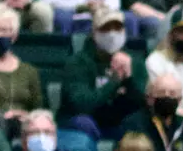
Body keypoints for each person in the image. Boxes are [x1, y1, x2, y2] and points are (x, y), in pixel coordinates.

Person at [61, 9, 148, 139]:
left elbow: (143, 103)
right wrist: (115, 81)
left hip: (119, 124)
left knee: (139, 123)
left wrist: (129, 78)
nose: (112, 34)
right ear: (93, 32)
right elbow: (81, 105)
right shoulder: (77, 63)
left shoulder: (135, 62)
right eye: (105, 29)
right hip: (88, 122)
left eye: (117, 28)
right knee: (83, 123)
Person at [0, 6, 44, 116]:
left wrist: (23, 115)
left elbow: (38, 110)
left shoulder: (29, 71)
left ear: (14, 35)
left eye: (4, 30)